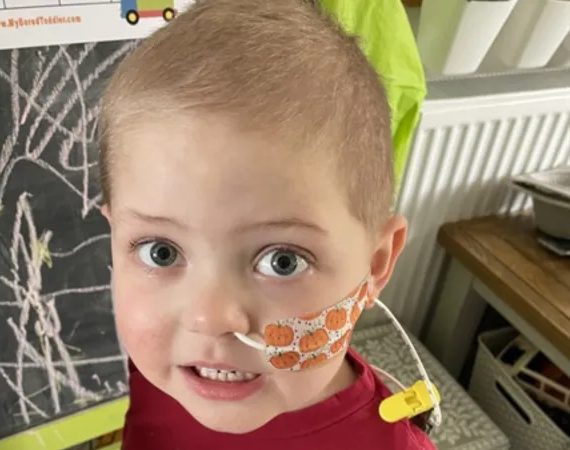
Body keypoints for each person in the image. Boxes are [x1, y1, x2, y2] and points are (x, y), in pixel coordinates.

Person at [98, 0, 437, 448]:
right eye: (160, 251)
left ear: (376, 265)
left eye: (283, 260)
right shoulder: (161, 366)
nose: (210, 318)